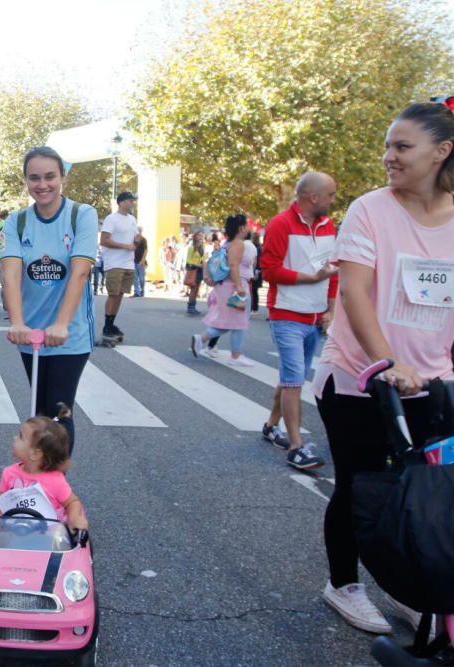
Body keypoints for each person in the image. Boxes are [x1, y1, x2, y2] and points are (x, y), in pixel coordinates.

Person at [314, 101, 454, 634]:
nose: (389, 157)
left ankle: (410, 588)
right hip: (360, 378)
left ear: (441, 152)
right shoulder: (370, 208)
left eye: (402, 147)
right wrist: (386, 363)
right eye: (388, 146)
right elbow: (354, 291)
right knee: (360, 486)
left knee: (420, 493)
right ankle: (343, 585)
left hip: (435, 383)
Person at [2, 146, 96, 453]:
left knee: (58, 410)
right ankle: (37, 481)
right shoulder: (16, 222)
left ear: (63, 177)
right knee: (39, 410)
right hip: (30, 332)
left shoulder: (81, 215)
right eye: (34, 178)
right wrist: (17, 321)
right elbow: (12, 274)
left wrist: (61, 323)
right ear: (26, 181)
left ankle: (55, 485)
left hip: (68, 332)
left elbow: (79, 272)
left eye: (50, 177)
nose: (42, 185)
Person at [258, 172, 339, 469]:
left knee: (293, 378)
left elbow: (333, 272)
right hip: (286, 315)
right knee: (294, 380)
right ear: (313, 198)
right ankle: (296, 446)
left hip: (315, 317)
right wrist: (310, 278)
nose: (334, 201)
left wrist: (330, 310)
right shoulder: (280, 224)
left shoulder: (329, 226)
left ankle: (270, 426)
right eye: (330, 195)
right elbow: (268, 270)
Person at [0, 404, 88, 530]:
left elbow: (72, 502)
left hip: (47, 534)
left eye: (20, 437)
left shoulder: (56, 481)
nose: (14, 438)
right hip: (12, 530)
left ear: (35, 454)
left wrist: (74, 518)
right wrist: (0, 524)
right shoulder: (9, 473)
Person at [191, 215, 255, 366]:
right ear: (241, 228)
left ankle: (202, 340)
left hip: (225, 285)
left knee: (230, 322)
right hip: (235, 285)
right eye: (246, 225)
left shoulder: (228, 243)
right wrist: (239, 287)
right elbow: (234, 266)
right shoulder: (238, 244)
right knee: (239, 321)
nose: (248, 228)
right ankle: (235, 356)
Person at [99, 192, 138, 340]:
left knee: (120, 294)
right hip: (114, 262)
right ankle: (107, 326)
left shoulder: (132, 219)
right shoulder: (111, 219)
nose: (132, 203)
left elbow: (134, 238)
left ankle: (111, 323)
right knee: (113, 294)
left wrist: (139, 243)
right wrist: (124, 246)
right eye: (130, 200)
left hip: (129, 262)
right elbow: (104, 240)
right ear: (121, 202)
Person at [185, 231, 207, 315]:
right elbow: (188, 260)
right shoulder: (191, 248)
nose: (201, 237)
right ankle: (190, 306)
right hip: (194, 269)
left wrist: (204, 265)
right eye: (199, 235)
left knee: (197, 289)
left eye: (202, 235)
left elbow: (204, 258)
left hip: (200, 270)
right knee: (193, 289)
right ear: (195, 237)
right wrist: (197, 264)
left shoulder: (202, 247)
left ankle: (193, 306)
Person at [133, 226, 148, 297]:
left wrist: (142, 260)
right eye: (137, 231)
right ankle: (136, 292)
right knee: (135, 278)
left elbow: (145, 250)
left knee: (141, 278)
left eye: (140, 231)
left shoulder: (143, 240)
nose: (138, 232)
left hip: (141, 262)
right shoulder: (133, 239)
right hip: (133, 261)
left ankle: (142, 290)